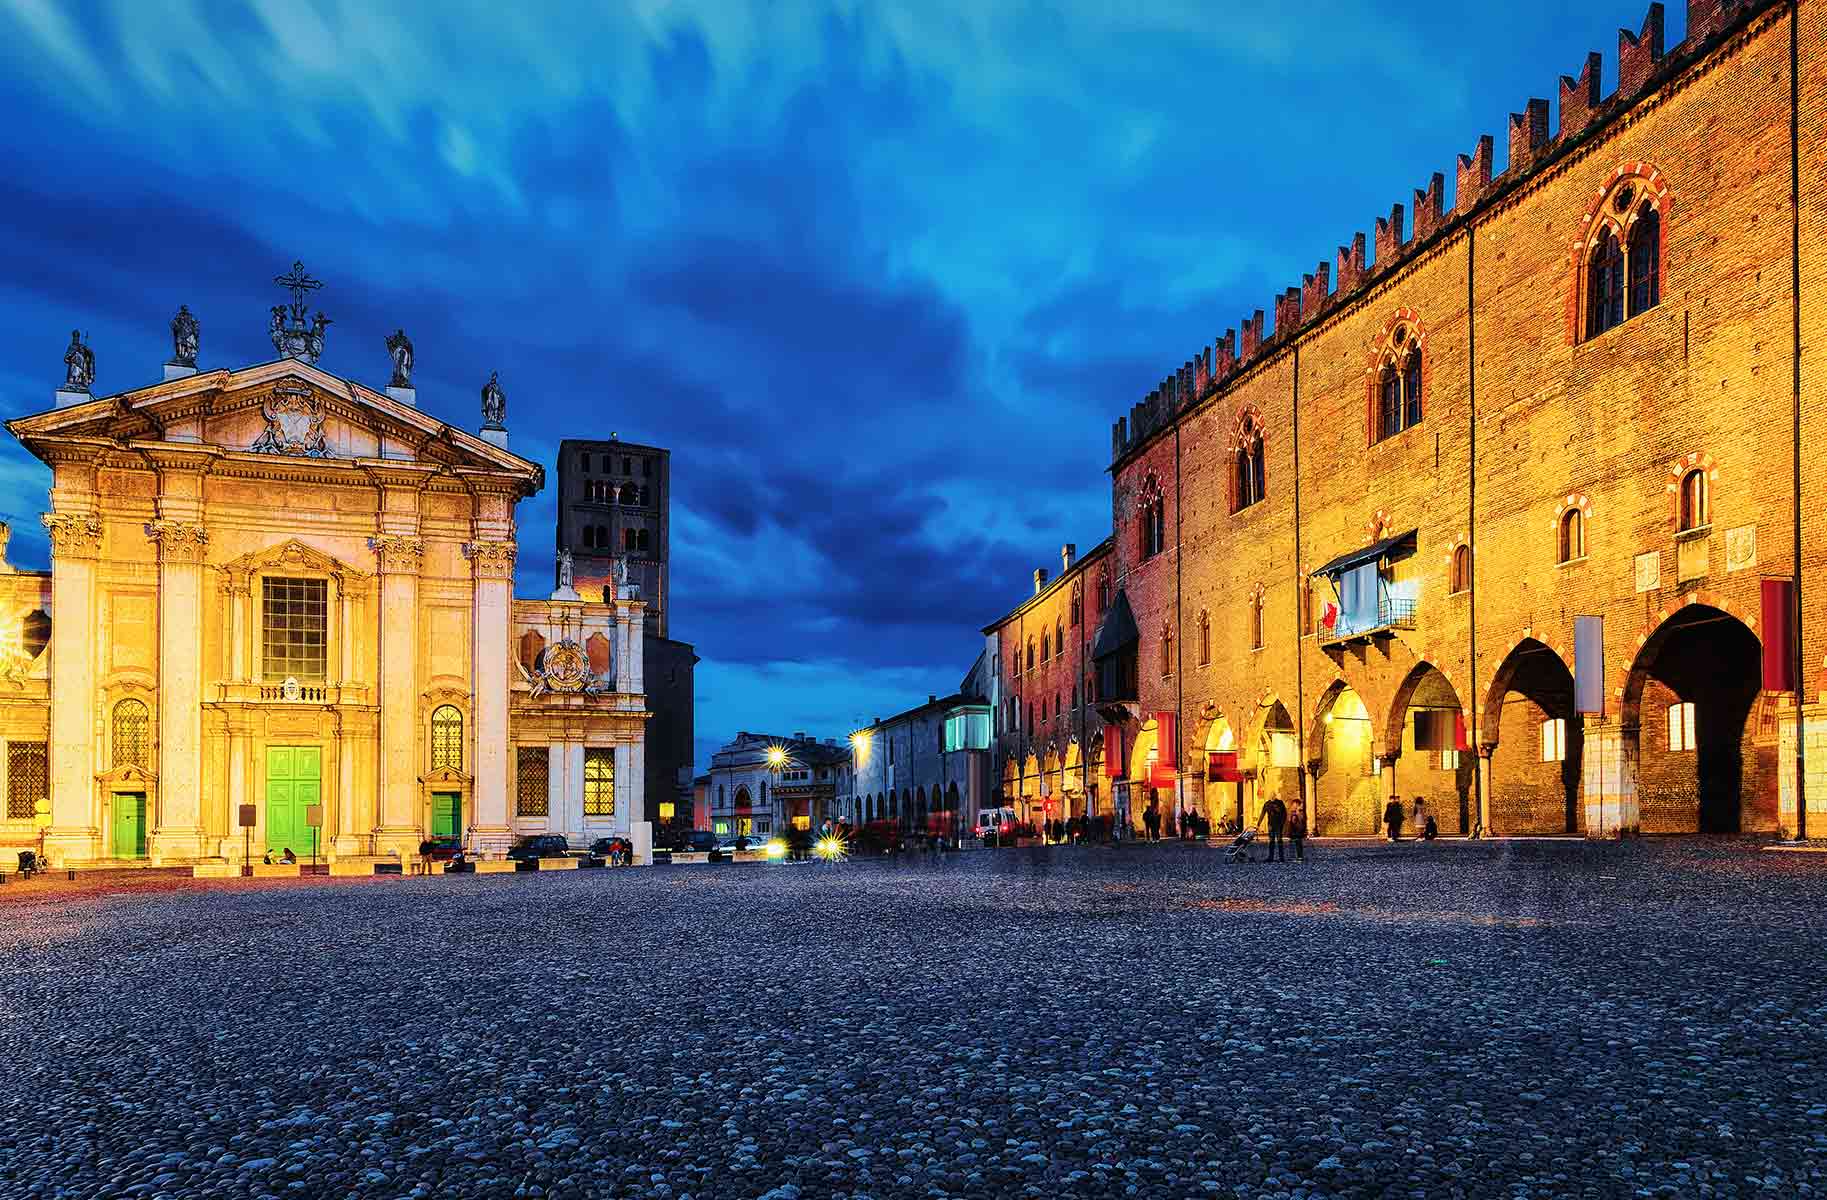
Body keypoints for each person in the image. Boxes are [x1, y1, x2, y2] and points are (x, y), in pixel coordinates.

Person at [1260, 794, 1288, 863]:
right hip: (1271, 825)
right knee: (1272, 841)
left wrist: (1282, 823)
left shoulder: (1279, 803)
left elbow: (1284, 813)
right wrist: (1258, 824)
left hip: (1278, 825)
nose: (1272, 797)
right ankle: (1271, 857)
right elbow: (1263, 813)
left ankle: (1281, 858)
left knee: (1279, 841)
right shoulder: (1267, 804)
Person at [1287, 797, 1308, 862]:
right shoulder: (1292, 812)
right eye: (1293, 804)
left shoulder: (1301, 812)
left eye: (1295, 804)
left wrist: (1297, 813)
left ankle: (1300, 857)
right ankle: (1293, 857)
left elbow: (1302, 821)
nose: (1293, 806)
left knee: (1298, 844)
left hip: (1298, 831)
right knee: (1292, 844)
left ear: (1298, 805)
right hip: (1293, 831)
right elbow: (1289, 821)